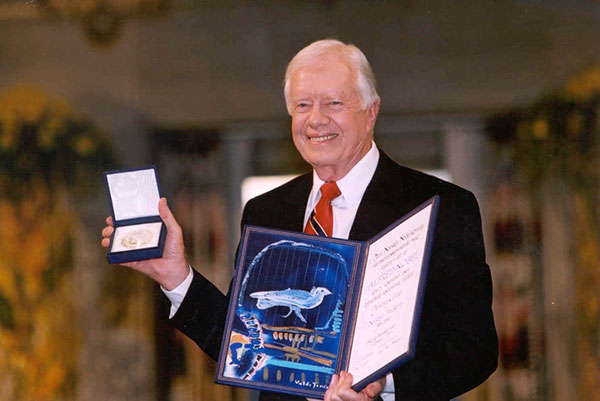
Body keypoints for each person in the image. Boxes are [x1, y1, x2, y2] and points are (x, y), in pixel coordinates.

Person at [102, 39, 498, 401]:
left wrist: (383, 382)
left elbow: (473, 348)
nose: (316, 120)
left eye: (334, 104)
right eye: (303, 106)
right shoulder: (266, 210)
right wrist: (176, 276)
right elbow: (248, 340)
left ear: (371, 111)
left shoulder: (440, 205)